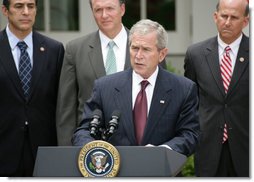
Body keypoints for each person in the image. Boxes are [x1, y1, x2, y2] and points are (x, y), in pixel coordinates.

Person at [72, 19, 200, 158]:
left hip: (161, 172)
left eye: (146, 49)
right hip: (116, 174)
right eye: (134, 48)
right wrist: (96, 151)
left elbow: (190, 134)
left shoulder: (183, 89)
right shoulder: (104, 87)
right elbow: (83, 131)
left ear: (162, 54)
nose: (138, 56)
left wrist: (163, 151)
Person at [56, 0, 167, 146]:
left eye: (110, 8)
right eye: (98, 10)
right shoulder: (75, 49)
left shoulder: (148, 46)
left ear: (122, 9)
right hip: (90, 147)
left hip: (139, 146)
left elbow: (162, 99)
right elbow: (66, 109)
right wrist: (67, 152)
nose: (104, 15)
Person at [184, 0, 249, 177]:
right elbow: (190, 103)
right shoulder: (195, 54)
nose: (227, 22)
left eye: (234, 17)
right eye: (224, 16)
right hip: (208, 148)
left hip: (246, 149)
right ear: (215, 17)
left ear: (245, 21)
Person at [0, 0, 64, 177]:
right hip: (4, 150)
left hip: (44, 151)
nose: (26, 12)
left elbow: (61, 101)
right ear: (5, 10)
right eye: (19, 6)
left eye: (31, 6)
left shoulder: (54, 49)